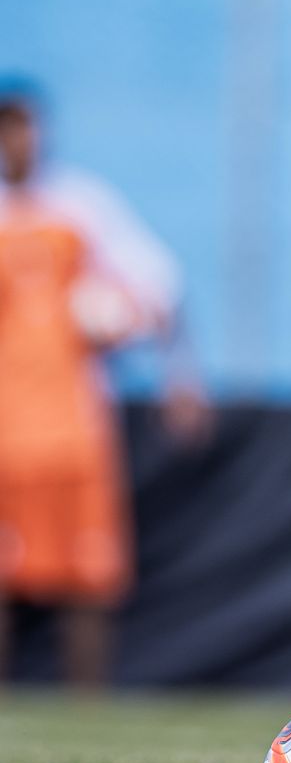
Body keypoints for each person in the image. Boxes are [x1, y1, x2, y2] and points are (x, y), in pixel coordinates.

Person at [0, 82, 206, 688]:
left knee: (88, 575)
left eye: (26, 126)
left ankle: (86, 704)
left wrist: (181, 380)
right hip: (7, 428)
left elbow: (161, 286)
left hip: (75, 426)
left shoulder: (82, 207)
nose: (19, 140)